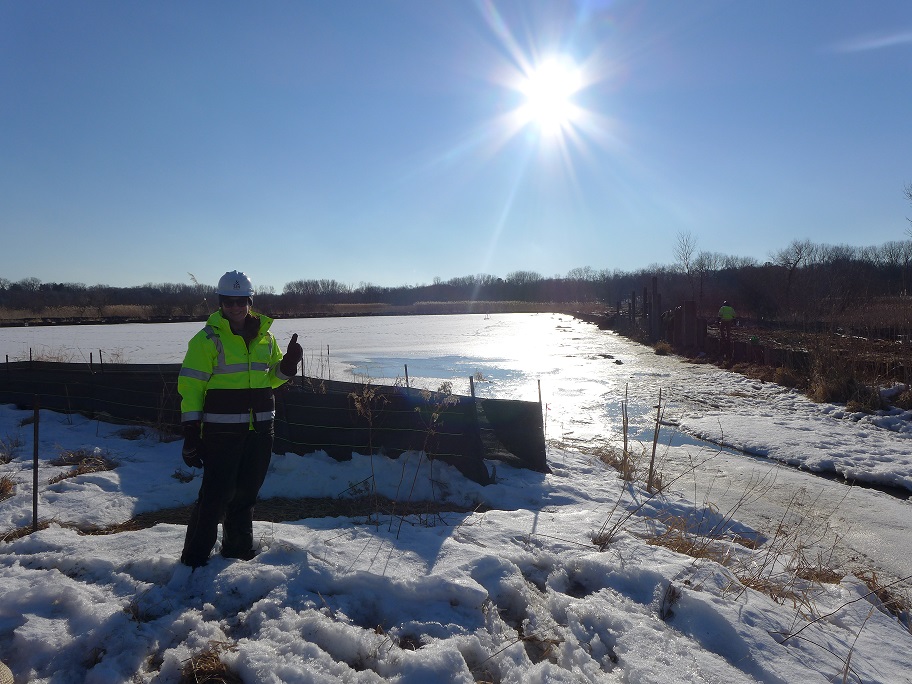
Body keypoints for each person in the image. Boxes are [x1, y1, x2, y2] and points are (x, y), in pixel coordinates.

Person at [178, 270, 303, 568]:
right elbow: (191, 386)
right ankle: (193, 560)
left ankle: (237, 551)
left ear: (249, 301)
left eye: (240, 301)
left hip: (260, 430)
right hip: (222, 433)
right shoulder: (207, 339)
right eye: (228, 301)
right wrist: (191, 431)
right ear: (221, 303)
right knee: (214, 498)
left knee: (246, 495)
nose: (235, 307)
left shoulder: (266, 337)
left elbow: (269, 380)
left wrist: (288, 364)